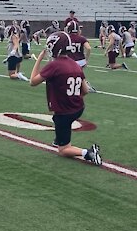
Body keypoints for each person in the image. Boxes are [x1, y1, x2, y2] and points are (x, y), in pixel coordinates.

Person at [30, 32, 103, 166]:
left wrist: (39, 59)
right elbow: (85, 90)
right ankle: (60, 137)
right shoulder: (75, 64)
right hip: (78, 107)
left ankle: (88, 153)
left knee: (63, 150)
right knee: (63, 124)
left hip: (64, 113)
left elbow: (33, 82)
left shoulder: (54, 65)